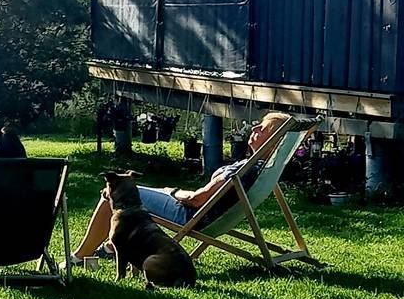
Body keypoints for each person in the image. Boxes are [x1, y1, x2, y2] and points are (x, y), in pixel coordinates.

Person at [64, 112, 289, 268]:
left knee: (112, 193)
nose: (255, 128)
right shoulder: (261, 168)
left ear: (273, 141)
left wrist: (173, 192)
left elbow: (196, 200)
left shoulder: (243, 169)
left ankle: (80, 255)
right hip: (207, 216)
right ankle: (113, 248)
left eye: (264, 128)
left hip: (191, 215)